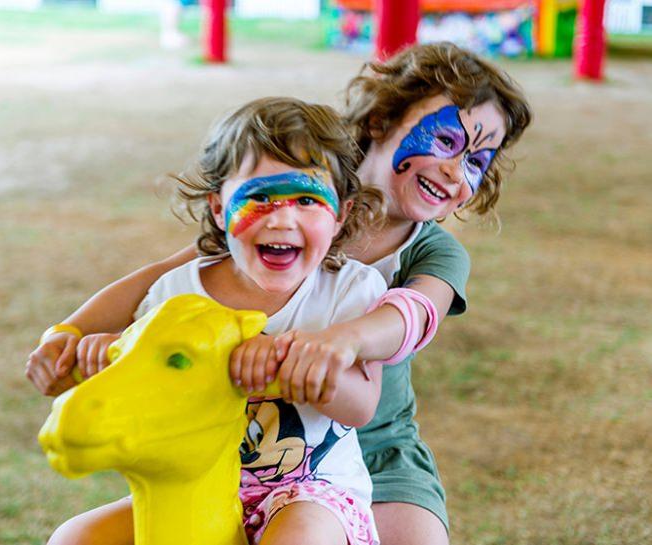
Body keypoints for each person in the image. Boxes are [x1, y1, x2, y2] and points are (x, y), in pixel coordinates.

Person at [27, 43, 532, 545]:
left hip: (374, 450)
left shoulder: (417, 260)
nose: (454, 169)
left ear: (339, 214)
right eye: (445, 140)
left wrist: (337, 344)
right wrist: (77, 336)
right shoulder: (289, 200)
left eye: (476, 160)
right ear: (381, 121)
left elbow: (412, 315)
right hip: (234, 451)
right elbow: (163, 282)